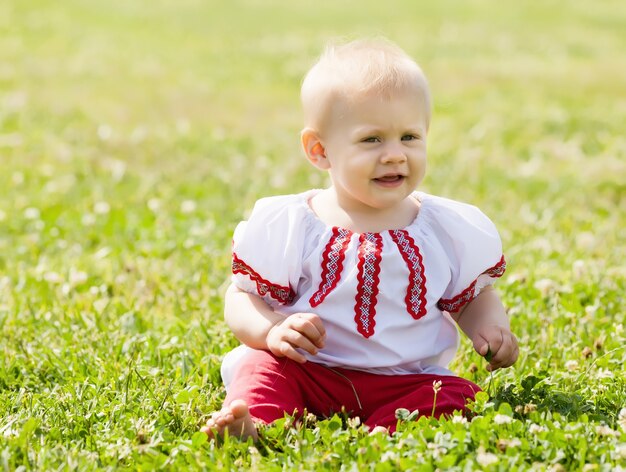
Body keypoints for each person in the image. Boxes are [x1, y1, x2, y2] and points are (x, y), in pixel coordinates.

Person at [201, 38, 519, 441]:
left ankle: (384, 431)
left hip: (407, 381)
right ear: (319, 151)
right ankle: (258, 424)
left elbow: (472, 299)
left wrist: (490, 329)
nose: (394, 155)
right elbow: (242, 297)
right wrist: (271, 331)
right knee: (262, 368)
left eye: (409, 137)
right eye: (372, 139)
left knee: (457, 394)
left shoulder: (440, 229)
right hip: (310, 371)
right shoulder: (298, 224)